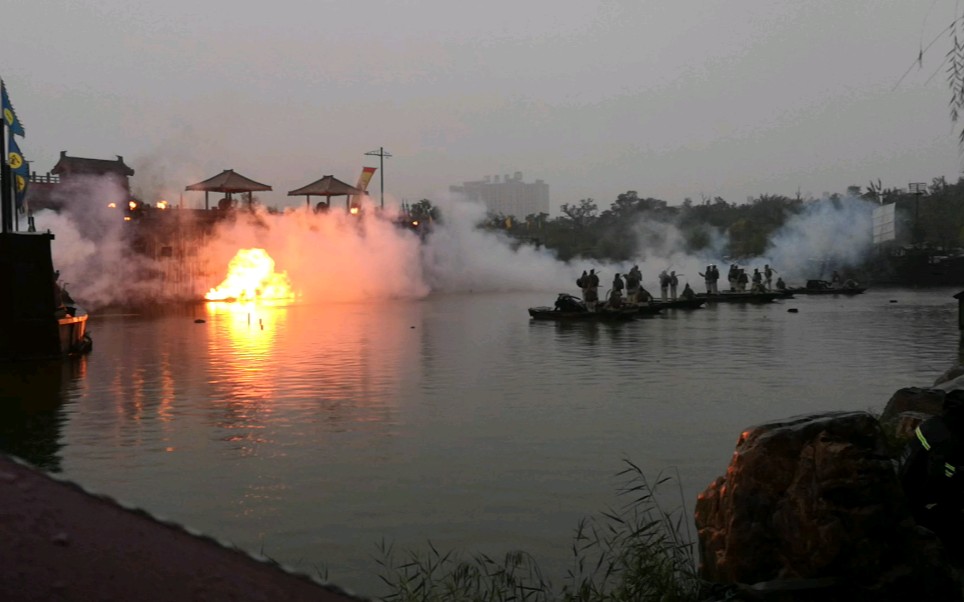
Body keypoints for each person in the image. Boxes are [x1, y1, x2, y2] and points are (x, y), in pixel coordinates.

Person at [900, 390, 964, 560]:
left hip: (906, 488)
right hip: (920, 503)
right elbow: (940, 477)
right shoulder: (946, 440)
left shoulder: (932, 424)